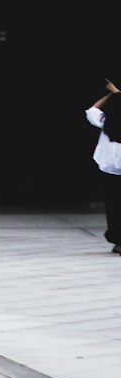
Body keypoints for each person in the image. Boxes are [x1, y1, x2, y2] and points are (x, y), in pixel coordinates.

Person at [85, 79, 121, 254]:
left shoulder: (107, 121)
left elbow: (92, 111)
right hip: (110, 169)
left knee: (114, 207)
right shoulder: (108, 120)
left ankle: (119, 240)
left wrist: (111, 95)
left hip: (109, 169)